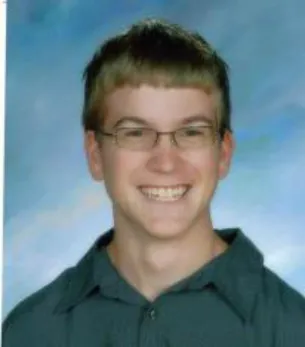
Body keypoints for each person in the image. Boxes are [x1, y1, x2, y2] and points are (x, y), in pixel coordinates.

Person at [2, 18, 305, 347]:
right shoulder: (30, 332)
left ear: (223, 154)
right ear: (95, 154)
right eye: (135, 132)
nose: (165, 161)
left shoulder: (293, 329)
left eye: (191, 132)